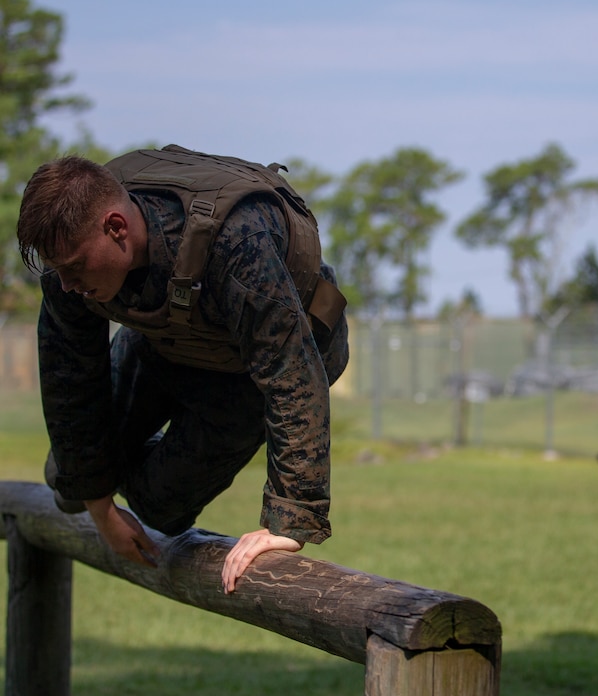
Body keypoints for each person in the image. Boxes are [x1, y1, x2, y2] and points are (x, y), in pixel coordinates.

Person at [17, 146, 349, 594]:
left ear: (116, 228)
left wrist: (290, 520)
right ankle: (98, 474)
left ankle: (129, 477)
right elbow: (68, 375)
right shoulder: (71, 251)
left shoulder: (236, 241)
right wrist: (99, 508)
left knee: (159, 511)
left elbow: (290, 373)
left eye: (75, 268)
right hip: (168, 344)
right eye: (58, 272)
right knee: (68, 477)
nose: (68, 285)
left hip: (246, 378)